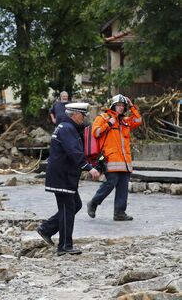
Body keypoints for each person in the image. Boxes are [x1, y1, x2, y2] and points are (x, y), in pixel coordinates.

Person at [36, 103, 100, 255]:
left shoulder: (66, 127)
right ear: (75, 114)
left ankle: (46, 229)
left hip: (64, 176)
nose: (84, 119)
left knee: (75, 205)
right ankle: (64, 246)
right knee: (67, 208)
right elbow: (74, 152)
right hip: (62, 176)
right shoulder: (67, 129)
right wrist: (89, 167)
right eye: (83, 115)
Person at [87, 94, 141, 221]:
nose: (121, 108)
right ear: (113, 105)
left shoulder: (125, 121)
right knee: (111, 183)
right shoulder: (104, 117)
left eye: (123, 106)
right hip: (110, 159)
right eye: (118, 105)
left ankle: (119, 213)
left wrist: (132, 106)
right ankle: (93, 203)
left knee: (123, 186)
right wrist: (108, 124)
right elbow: (96, 132)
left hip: (125, 161)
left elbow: (138, 120)